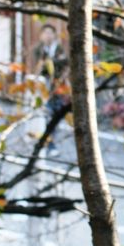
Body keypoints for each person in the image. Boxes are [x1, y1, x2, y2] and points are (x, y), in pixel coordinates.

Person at [33, 23, 69, 153]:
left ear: (54, 35)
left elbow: (65, 64)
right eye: (45, 33)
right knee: (45, 115)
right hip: (43, 86)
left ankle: (51, 143)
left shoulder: (59, 48)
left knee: (55, 115)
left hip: (57, 87)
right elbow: (38, 67)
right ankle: (45, 142)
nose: (48, 36)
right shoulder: (38, 49)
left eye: (50, 33)